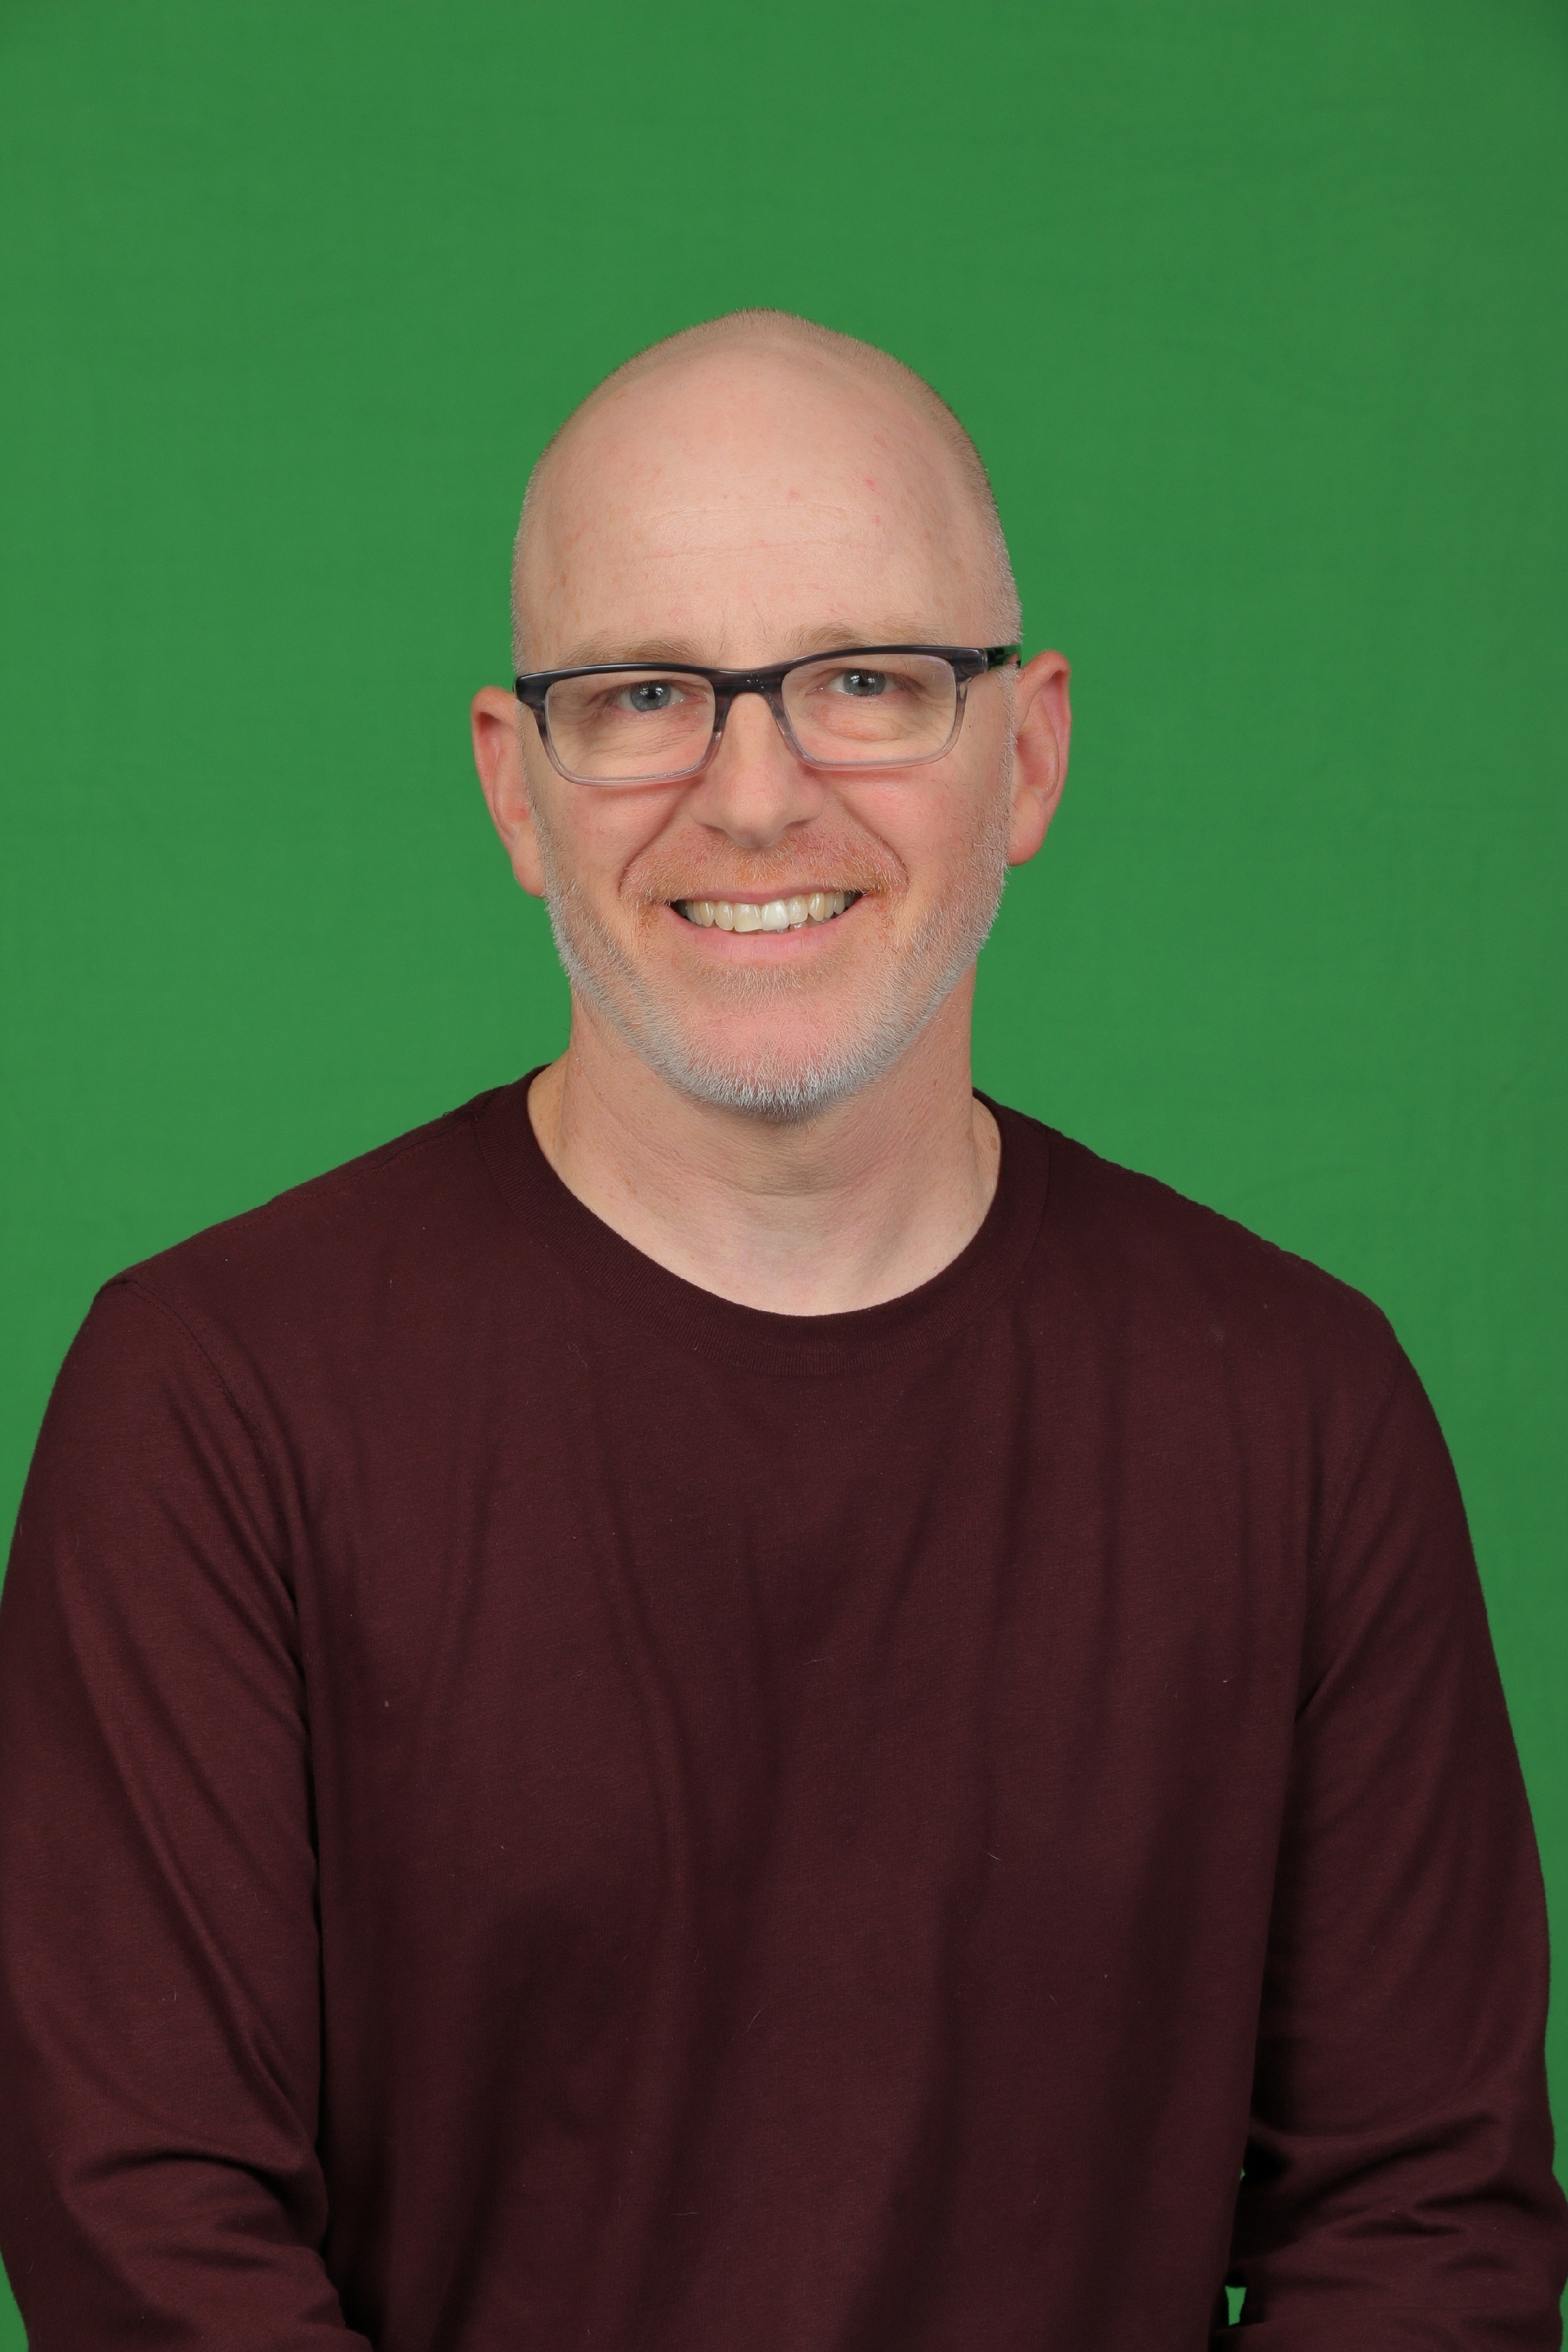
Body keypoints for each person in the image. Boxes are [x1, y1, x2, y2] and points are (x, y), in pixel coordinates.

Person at [0, 309, 1562, 2350]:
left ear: (1031, 751)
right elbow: (146, 2238)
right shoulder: (210, 1405)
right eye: (646, 693)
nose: (755, 795)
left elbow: (1424, 2231)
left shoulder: (1302, 1410)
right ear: (517, 787)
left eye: (866, 681)